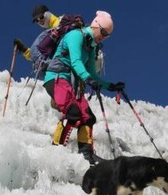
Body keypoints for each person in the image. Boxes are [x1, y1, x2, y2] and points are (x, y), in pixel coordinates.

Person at [42, 10, 125, 165]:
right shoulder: (76, 36)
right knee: (72, 113)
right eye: (103, 32)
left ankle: (86, 154)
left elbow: (93, 74)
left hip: (68, 83)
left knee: (88, 117)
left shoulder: (91, 47)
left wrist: (111, 86)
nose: (104, 37)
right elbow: (76, 62)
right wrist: (87, 79)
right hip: (56, 77)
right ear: (95, 26)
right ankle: (56, 150)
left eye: (107, 35)